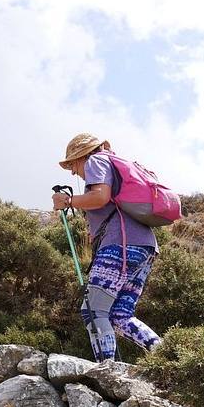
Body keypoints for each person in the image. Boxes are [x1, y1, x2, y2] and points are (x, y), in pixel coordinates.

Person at [52, 133, 161, 362]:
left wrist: (69, 201)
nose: (73, 171)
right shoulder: (112, 163)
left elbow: (100, 197)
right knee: (121, 315)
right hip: (144, 248)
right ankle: (167, 356)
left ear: (83, 156)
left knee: (94, 311)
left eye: (73, 164)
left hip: (120, 246)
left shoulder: (96, 161)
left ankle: (107, 371)